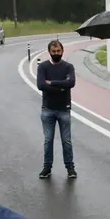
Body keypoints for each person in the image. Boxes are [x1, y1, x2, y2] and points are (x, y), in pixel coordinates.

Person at [37, 40, 77, 180]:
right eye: (53, 51)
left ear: (62, 51)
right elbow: (41, 85)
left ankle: (70, 168)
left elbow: (71, 83)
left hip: (64, 109)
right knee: (48, 140)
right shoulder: (43, 67)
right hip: (47, 109)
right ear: (49, 52)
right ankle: (47, 167)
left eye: (58, 51)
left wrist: (52, 83)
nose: (56, 53)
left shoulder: (68, 67)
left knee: (66, 140)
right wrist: (61, 87)